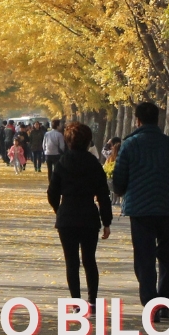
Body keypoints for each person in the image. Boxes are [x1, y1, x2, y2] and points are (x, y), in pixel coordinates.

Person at [112, 101, 169, 319]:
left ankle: (151, 304)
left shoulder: (130, 145)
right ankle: (165, 303)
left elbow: (119, 181)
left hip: (140, 210)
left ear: (137, 120)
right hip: (168, 208)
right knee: (167, 255)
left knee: (144, 257)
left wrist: (119, 190)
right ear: (157, 119)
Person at [48, 122, 113, 301]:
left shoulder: (62, 163)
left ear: (68, 141)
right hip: (88, 216)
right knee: (89, 260)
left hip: (67, 215)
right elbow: (103, 195)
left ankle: (76, 303)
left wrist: (58, 209)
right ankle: (92, 301)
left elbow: (52, 192)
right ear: (88, 141)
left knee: (72, 262)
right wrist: (106, 221)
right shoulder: (94, 164)